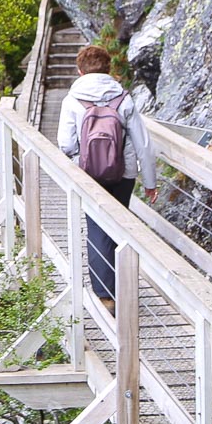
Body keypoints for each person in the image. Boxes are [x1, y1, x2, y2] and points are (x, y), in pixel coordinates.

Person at [55, 44, 157, 314]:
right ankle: (121, 287)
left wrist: (79, 158)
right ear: (108, 68)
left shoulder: (72, 100)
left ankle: (105, 296)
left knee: (96, 229)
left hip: (88, 174)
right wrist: (150, 182)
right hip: (123, 174)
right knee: (119, 227)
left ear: (80, 71)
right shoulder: (123, 99)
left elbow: (65, 144)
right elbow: (143, 144)